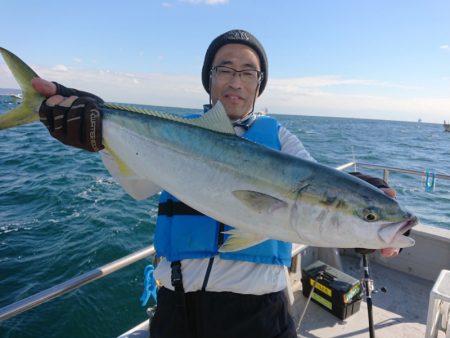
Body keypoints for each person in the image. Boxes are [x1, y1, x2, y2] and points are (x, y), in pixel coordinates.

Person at [32, 29, 402, 338]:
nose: (236, 81)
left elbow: (310, 183)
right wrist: (100, 134)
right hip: (177, 310)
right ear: (209, 78)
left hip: (260, 315)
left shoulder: (282, 139)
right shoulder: (172, 133)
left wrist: (364, 215)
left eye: (248, 72)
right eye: (224, 69)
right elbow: (138, 186)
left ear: (260, 84)